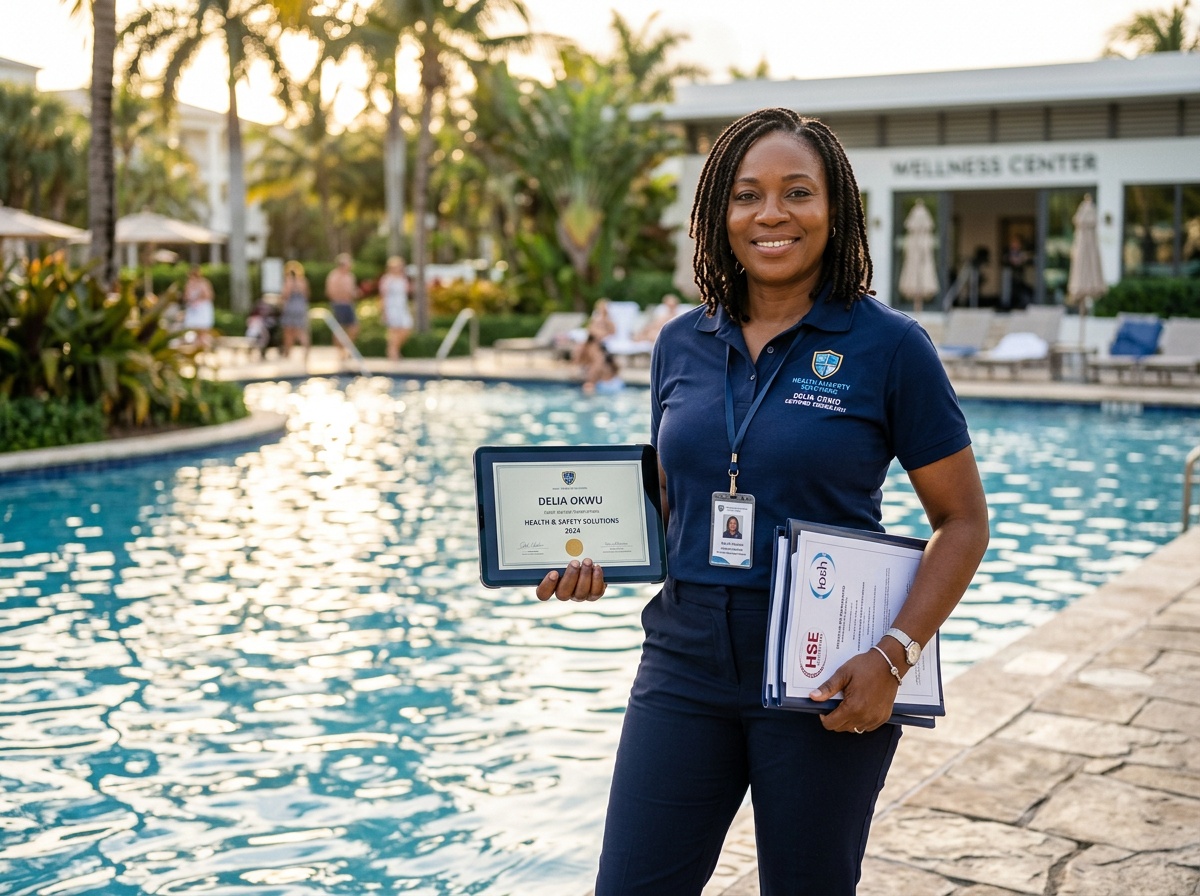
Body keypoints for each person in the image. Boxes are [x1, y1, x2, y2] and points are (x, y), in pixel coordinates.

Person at [535, 108, 989, 895]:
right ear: (719, 213)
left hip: (824, 670)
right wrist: (591, 549)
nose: (771, 214)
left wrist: (894, 656)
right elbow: (680, 506)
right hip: (682, 662)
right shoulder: (682, 342)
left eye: (797, 192)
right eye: (747, 195)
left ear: (835, 208)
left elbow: (963, 520)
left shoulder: (890, 346)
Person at [325, 252, 360, 354]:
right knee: (339, 329)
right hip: (339, 304)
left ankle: (346, 348)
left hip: (349, 304)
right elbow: (330, 291)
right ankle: (340, 352)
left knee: (354, 328)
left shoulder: (350, 276)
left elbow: (352, 291)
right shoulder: (334, 276)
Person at [379, 255, 413, 360]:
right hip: (391, 307)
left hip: (402, 307)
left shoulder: (403, 279)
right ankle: (393, 353)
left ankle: (393, 349)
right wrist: (384, 311)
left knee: (406, 328)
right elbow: (383, 296)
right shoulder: (387, 279)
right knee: (394, 330)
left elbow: (408, 292)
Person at [279, 260, 311, 359]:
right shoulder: (303, 281)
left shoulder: (288, 281)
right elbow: (307, 295)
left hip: (291, 307)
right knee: (302, 331)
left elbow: (285, 295)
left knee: (288, 331)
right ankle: (306, 352)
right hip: (301, 307)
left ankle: (288, 353)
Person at [182, 265, 215, 348]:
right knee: (193, 330)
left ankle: (204, 347)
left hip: (202, 308)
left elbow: (209, 295)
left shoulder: (204, 283)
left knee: (203, 330)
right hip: (193, 308)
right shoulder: (188, 284)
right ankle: (196, 347)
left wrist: (199, 299)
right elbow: (185, 296)